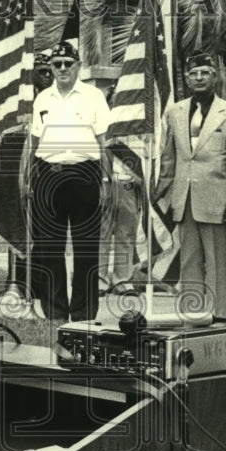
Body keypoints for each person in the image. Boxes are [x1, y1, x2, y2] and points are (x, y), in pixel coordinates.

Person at [154, 54, 226, 318]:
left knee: (217, 264)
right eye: (194, 73)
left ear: (215, 76)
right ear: (186, 77)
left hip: (218, 201)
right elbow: (169, 158)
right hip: (184, 201)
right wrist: (159, 194)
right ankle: (191, 318)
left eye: (205, 73)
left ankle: (218, 319)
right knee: (188, 263)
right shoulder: (176, 111)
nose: (199, 78)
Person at [23, 40, 111, 322]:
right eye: (57, 64)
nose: (62, 69)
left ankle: (84, 312)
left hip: (85, 173)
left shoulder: (93, 96)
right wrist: (27, 176)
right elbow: (35, 141)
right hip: (49, 174)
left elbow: (103, 141)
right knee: (49, 245)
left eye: (68, 64)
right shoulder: (42, 99)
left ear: (78, 67)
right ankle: (55, 310)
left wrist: (107, 180)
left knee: (86, 246)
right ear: (51, 67)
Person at [98, 82, 143, 296]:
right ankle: (98, 279)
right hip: (105, 183)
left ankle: (122, 280)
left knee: (126, 234)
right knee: (101, 233)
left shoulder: (137, 124)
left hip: (128, 185)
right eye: (116, 95)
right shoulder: (102, 123)